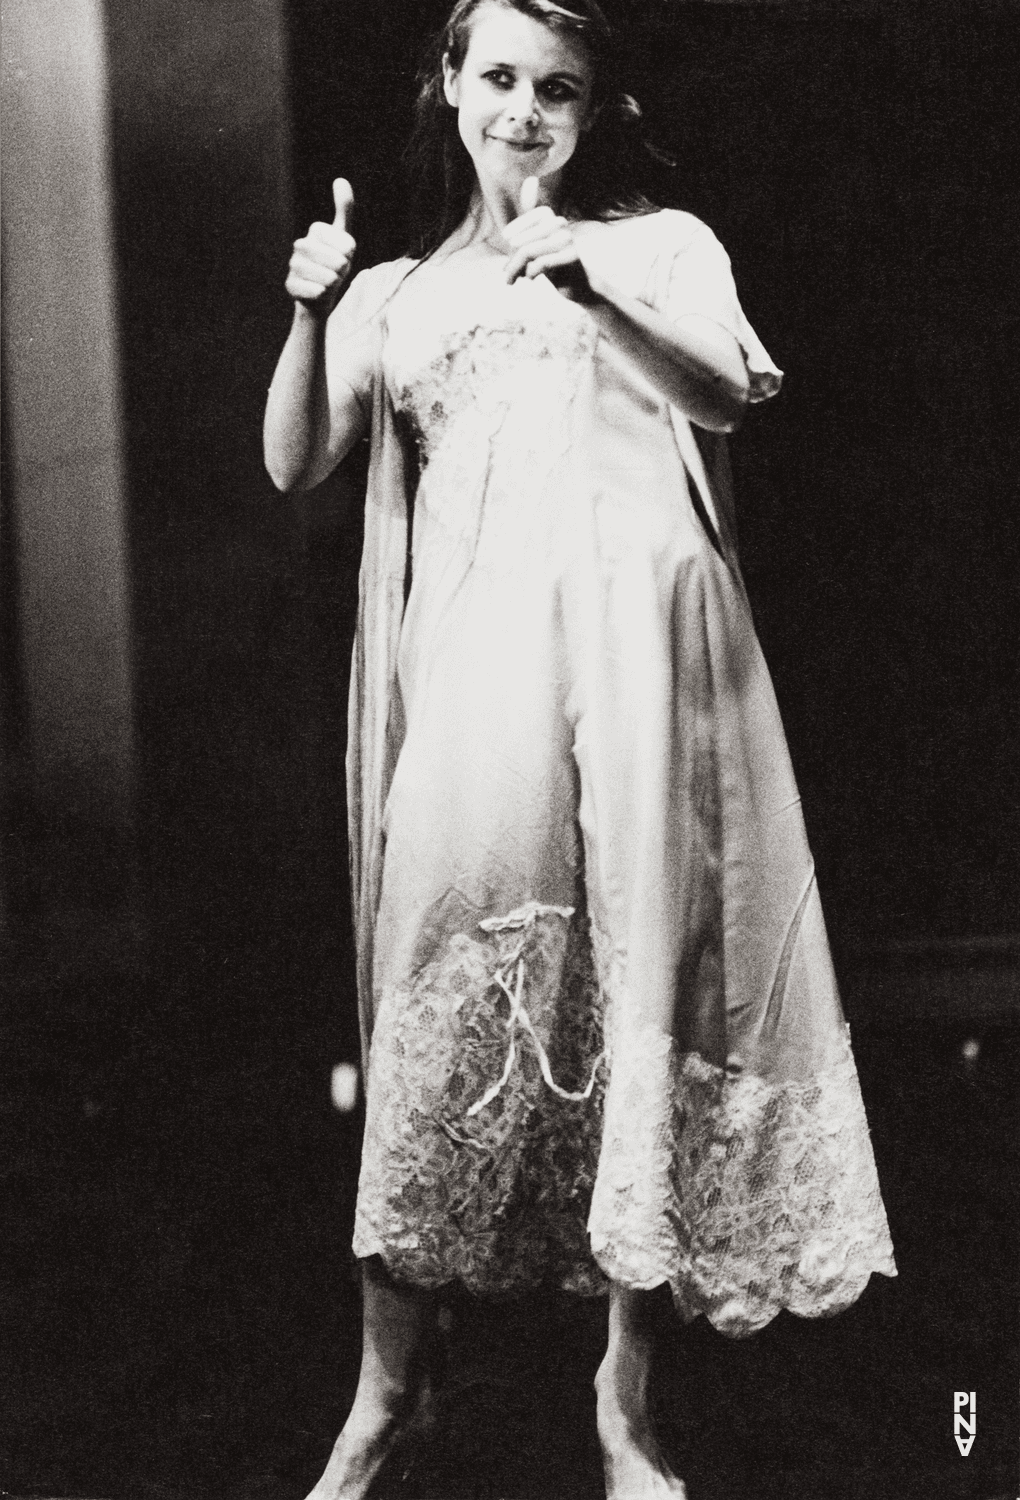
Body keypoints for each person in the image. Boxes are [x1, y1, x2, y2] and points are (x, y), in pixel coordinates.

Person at [264, 1, 897, 1495]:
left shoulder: (659, 243)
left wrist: (593, 278)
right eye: (498, 78)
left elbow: (737, 391)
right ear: (449, 87)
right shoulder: (404, 289)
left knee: (638, 971)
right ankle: (385, 1390)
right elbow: (299, 460)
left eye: (559, 88)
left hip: (634, 655)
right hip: (480, 662)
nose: (525, 110)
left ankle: (625, 1399)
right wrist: (307, 311)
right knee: (432, 974)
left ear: (594, 109)